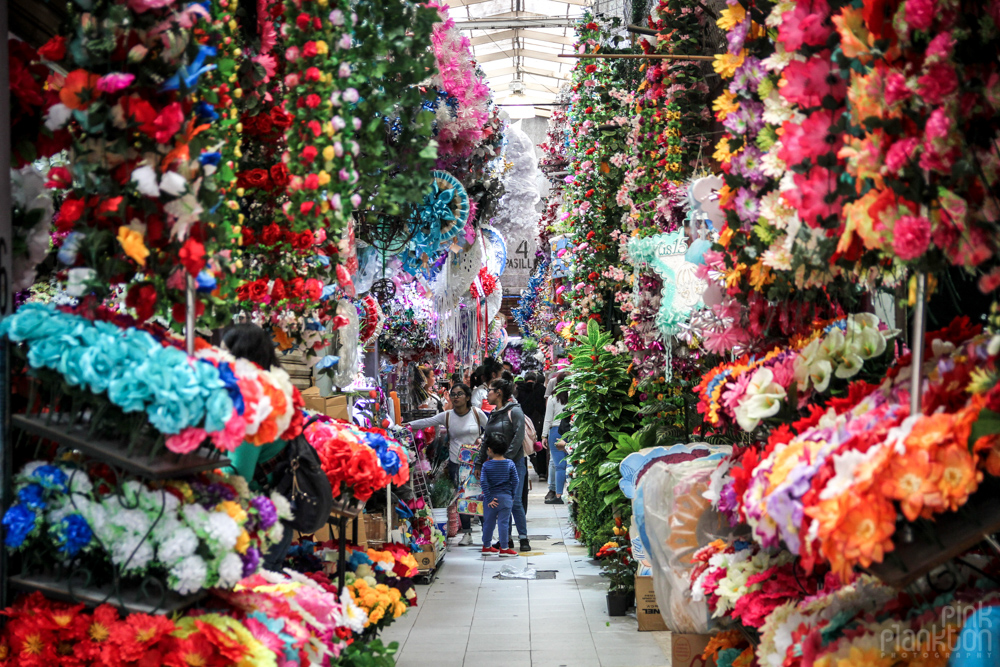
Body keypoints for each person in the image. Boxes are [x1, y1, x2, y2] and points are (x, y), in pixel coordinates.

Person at [220, 323, 293, 570]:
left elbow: (239, 473)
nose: (220, 361)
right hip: (276, 514)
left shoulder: (253, 403)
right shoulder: (276, 389)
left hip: (260, 523)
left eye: (225, 354)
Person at [406, 384, 486, 546]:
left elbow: (490, 430)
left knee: (479, 496)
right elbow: (427, 421)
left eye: (460, 394)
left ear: (468, 397)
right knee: (461, 497)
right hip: (456, 463)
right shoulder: (447, 416)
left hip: (476, 463)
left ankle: (487, 533)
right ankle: (467, 534)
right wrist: (404, 425)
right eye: (453, 394)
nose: (456, 397)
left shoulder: (477, 414)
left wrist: (482, 440)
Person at [475, 378, 530, 551]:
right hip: (497, 466)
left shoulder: (515, 411)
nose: (487, 394)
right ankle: (506, 539)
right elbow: (486, 440)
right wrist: (478, 462)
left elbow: (518, 437)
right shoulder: (493, 414)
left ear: (499, 393)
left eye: (490, 390)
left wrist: (505, 459)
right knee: (500, 501)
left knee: (515, 502)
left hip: (515, 463)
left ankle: (523, 538)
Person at [479, 432, 519, 557]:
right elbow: (516, 481)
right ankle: (505, 548)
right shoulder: (510, 463)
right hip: (506, 497)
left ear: (489, 450)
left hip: (490, 499)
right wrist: (512, 496)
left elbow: (483, 482)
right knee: (503, 523)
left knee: (488, 523)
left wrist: (489, 498)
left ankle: (486, 546)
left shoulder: (486, 465)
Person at [543, 389, 569, 504]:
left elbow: (548, 419)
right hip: (570, 430)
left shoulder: (553, 398)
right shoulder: (574, 396)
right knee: (571, 463)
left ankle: (558, 495)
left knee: (559, 465)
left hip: (555, 430)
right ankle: (571, 494)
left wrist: (544, 435)